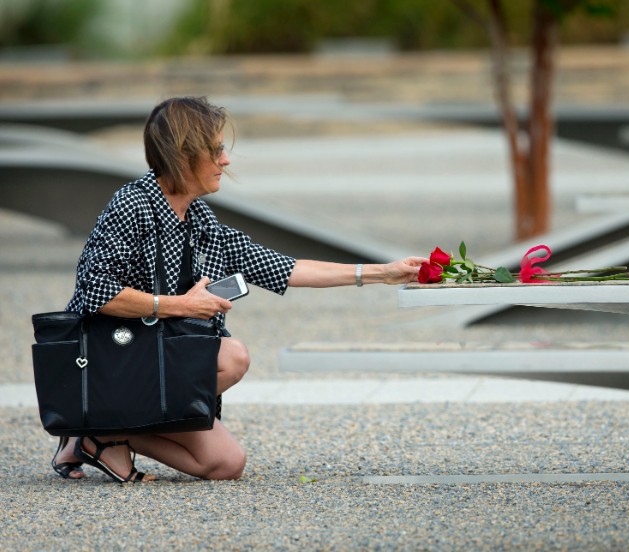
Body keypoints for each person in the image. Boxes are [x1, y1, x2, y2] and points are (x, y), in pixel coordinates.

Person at [50, 96, 426, 482]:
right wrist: (178, 306)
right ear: (183, 155)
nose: (225, 161)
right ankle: (100, 421)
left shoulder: (200, 218)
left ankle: (100, 434)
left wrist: (384, 272)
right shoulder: (132, 204)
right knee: (232, 355)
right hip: (112, 360)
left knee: (226, 465)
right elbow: (96, 293)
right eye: (215, 151)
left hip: (156, 363)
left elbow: (287, 267)